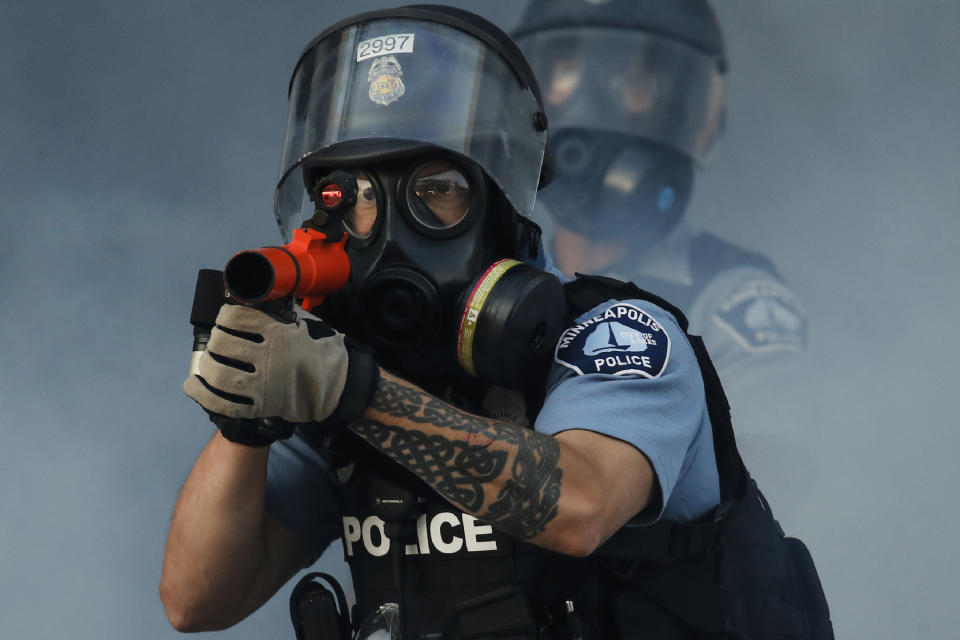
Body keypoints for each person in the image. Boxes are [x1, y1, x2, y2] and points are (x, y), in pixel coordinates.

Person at [161, 5, 830, 639]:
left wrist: (356, 394)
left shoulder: (618, 335)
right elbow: (196, 599)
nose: (387, 232)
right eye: (353, 198)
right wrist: (246, 424)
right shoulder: (335, 380)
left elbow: (582, 508)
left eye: (435, 191)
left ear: (502, 201)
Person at [512, 0, 815, 503]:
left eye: (637, 84)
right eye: (564, 73)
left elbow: (766, 494)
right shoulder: (499, 268)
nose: (588, 104)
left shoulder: (734, 299)